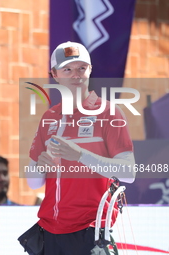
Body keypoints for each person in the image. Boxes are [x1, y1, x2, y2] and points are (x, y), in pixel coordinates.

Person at [26, 41, 136, 254]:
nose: (76, 75)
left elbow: (128, 172)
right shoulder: (49, 117)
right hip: (49, 232)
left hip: (90, 232)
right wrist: (41, 165)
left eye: (81, 68)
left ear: (90, 70)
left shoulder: (108, 113)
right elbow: (33, 182)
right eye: (67, 69)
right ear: (55, 74)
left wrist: (80, 155)